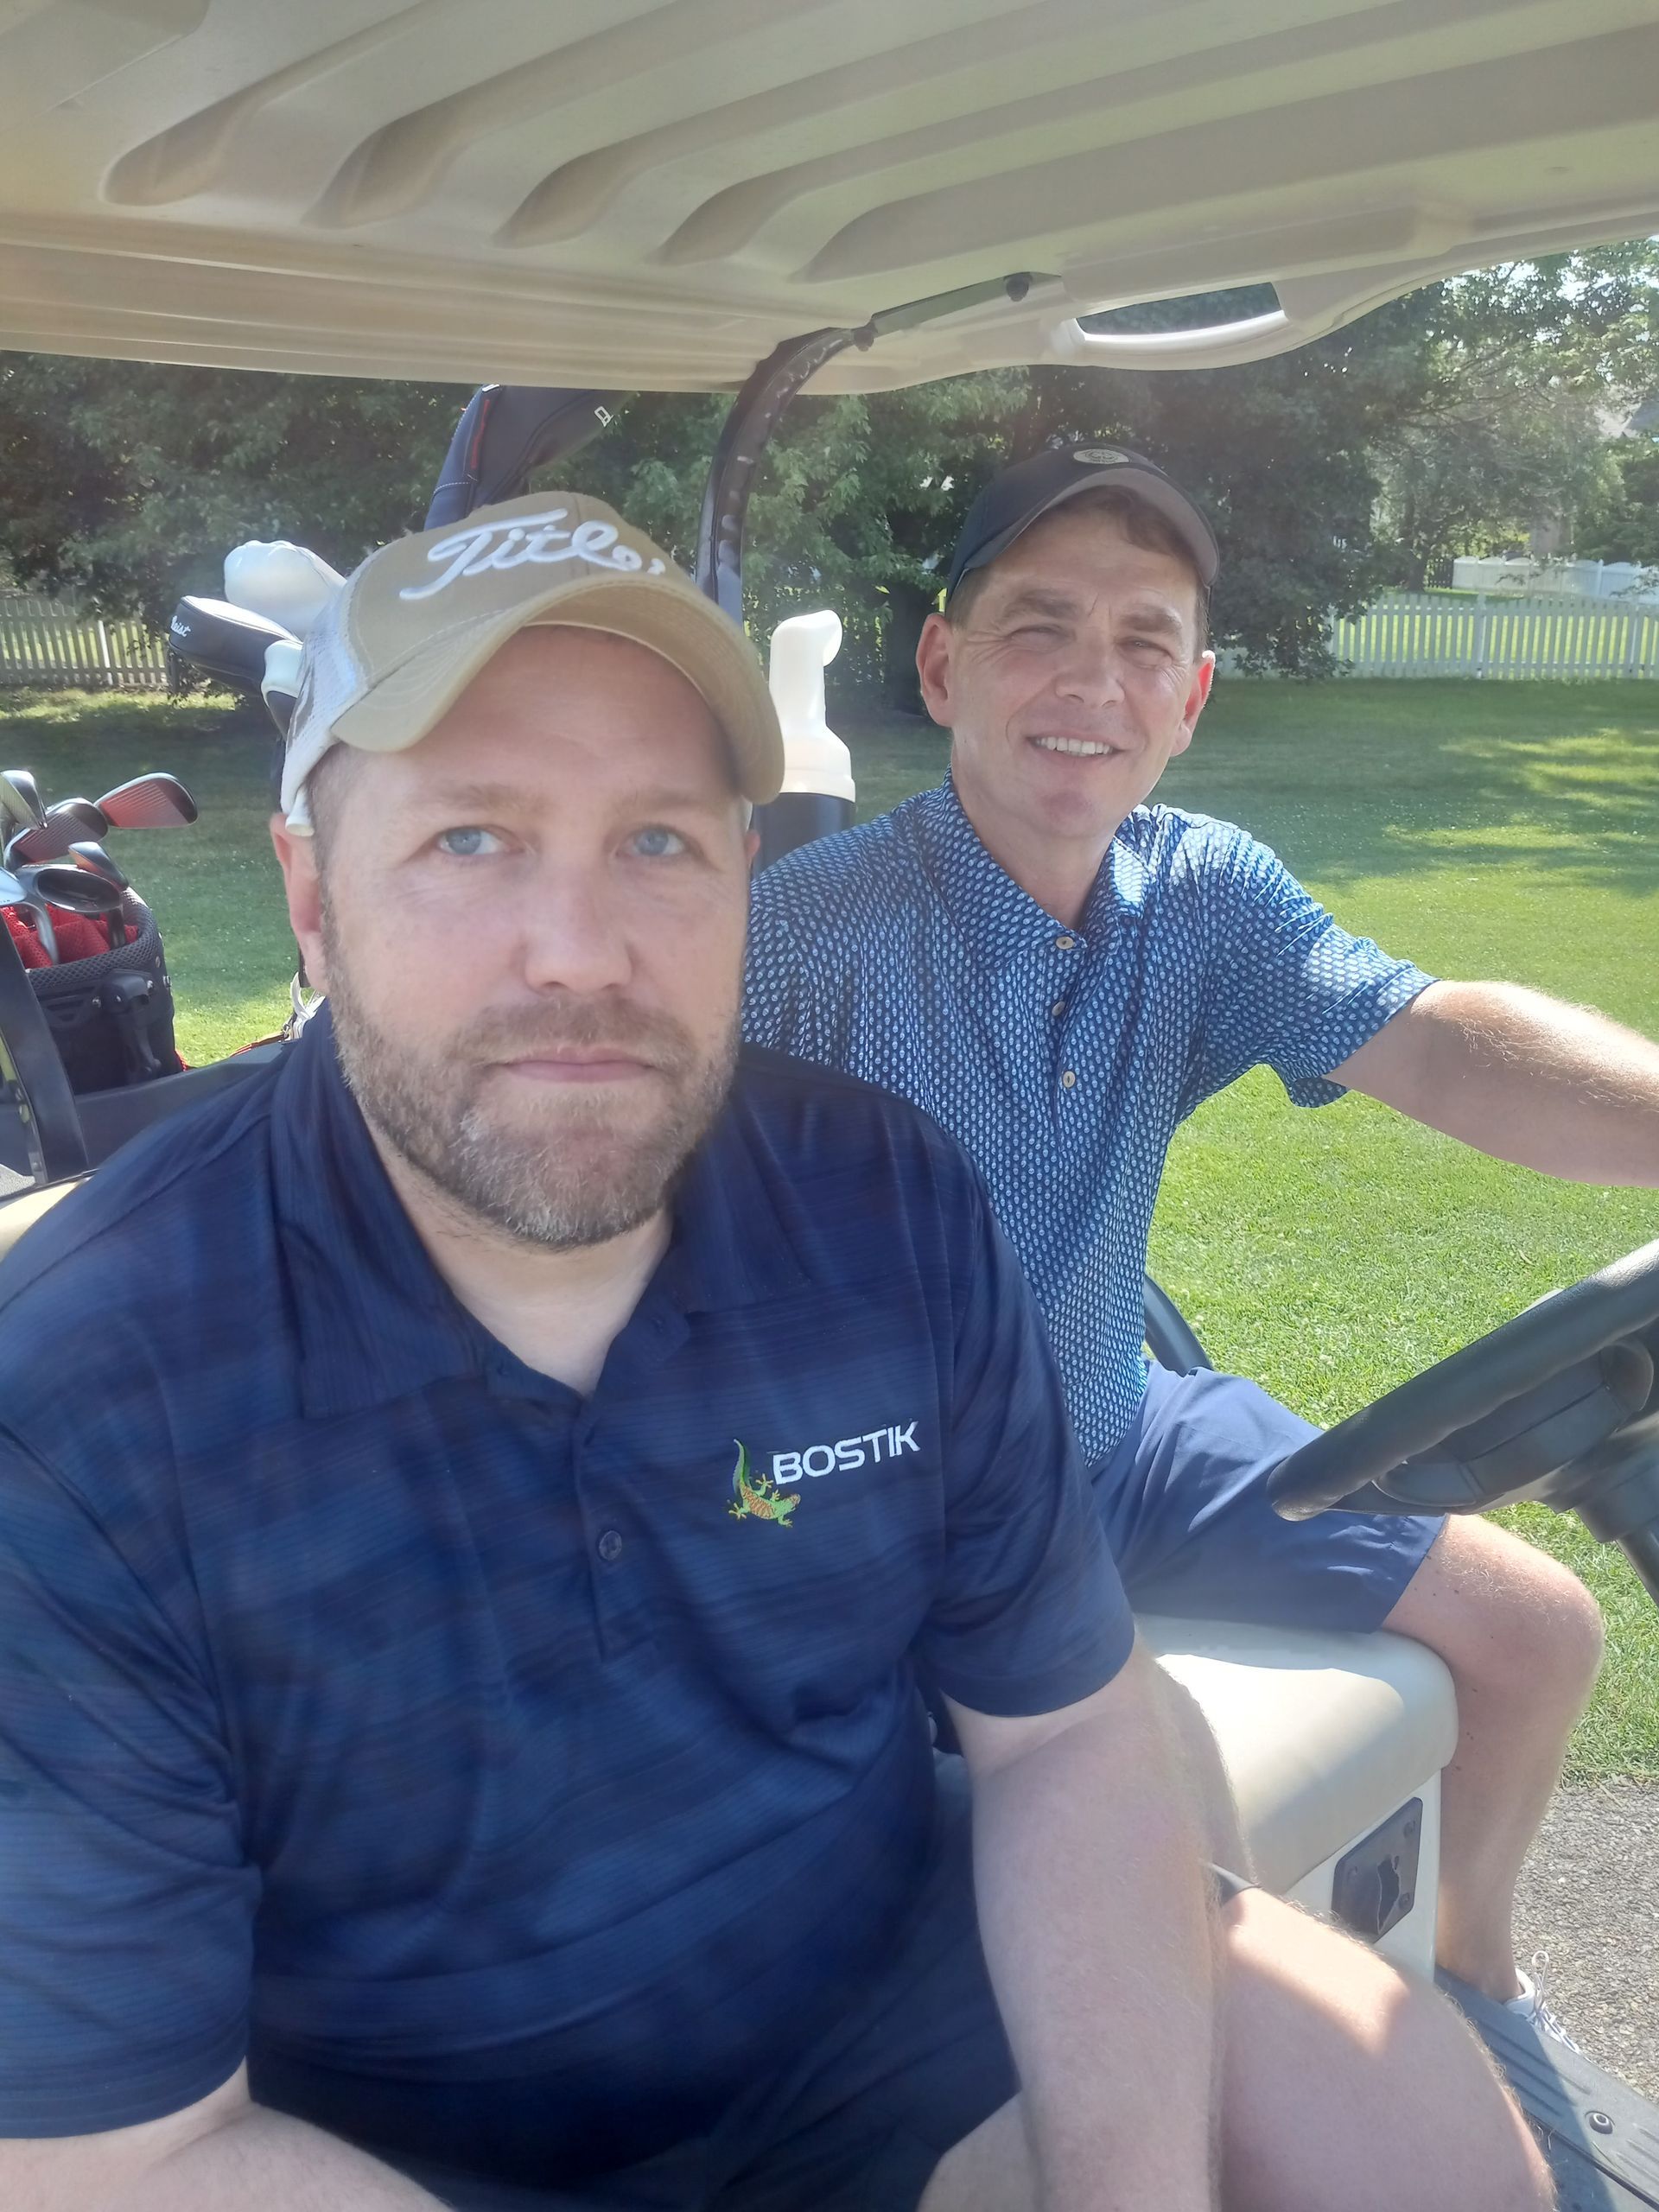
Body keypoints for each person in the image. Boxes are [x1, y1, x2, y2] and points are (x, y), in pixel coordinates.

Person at [0, 493, 1548, 2212]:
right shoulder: (87, 1390)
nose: (577, 951)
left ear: (747, 869)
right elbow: (112, 2151)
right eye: (471, 839)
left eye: (659, 839)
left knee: (1404, 2128)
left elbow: (1064, 1738)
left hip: (876, 1998)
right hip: (398, 2137)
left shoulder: (878, 1199)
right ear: (312, 891)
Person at [744, 440, 1623, 2024]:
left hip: (1120, 1428)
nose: (1094, 679)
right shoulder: (799, 941)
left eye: (1144, 639)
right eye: (1040, 626)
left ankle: (1481, 1991)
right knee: (1169, 1842)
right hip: (902, 1522)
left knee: (1533, 1632)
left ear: (1192, 694)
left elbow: (1435, 1040)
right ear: (945, 665)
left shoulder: (1203, 896)